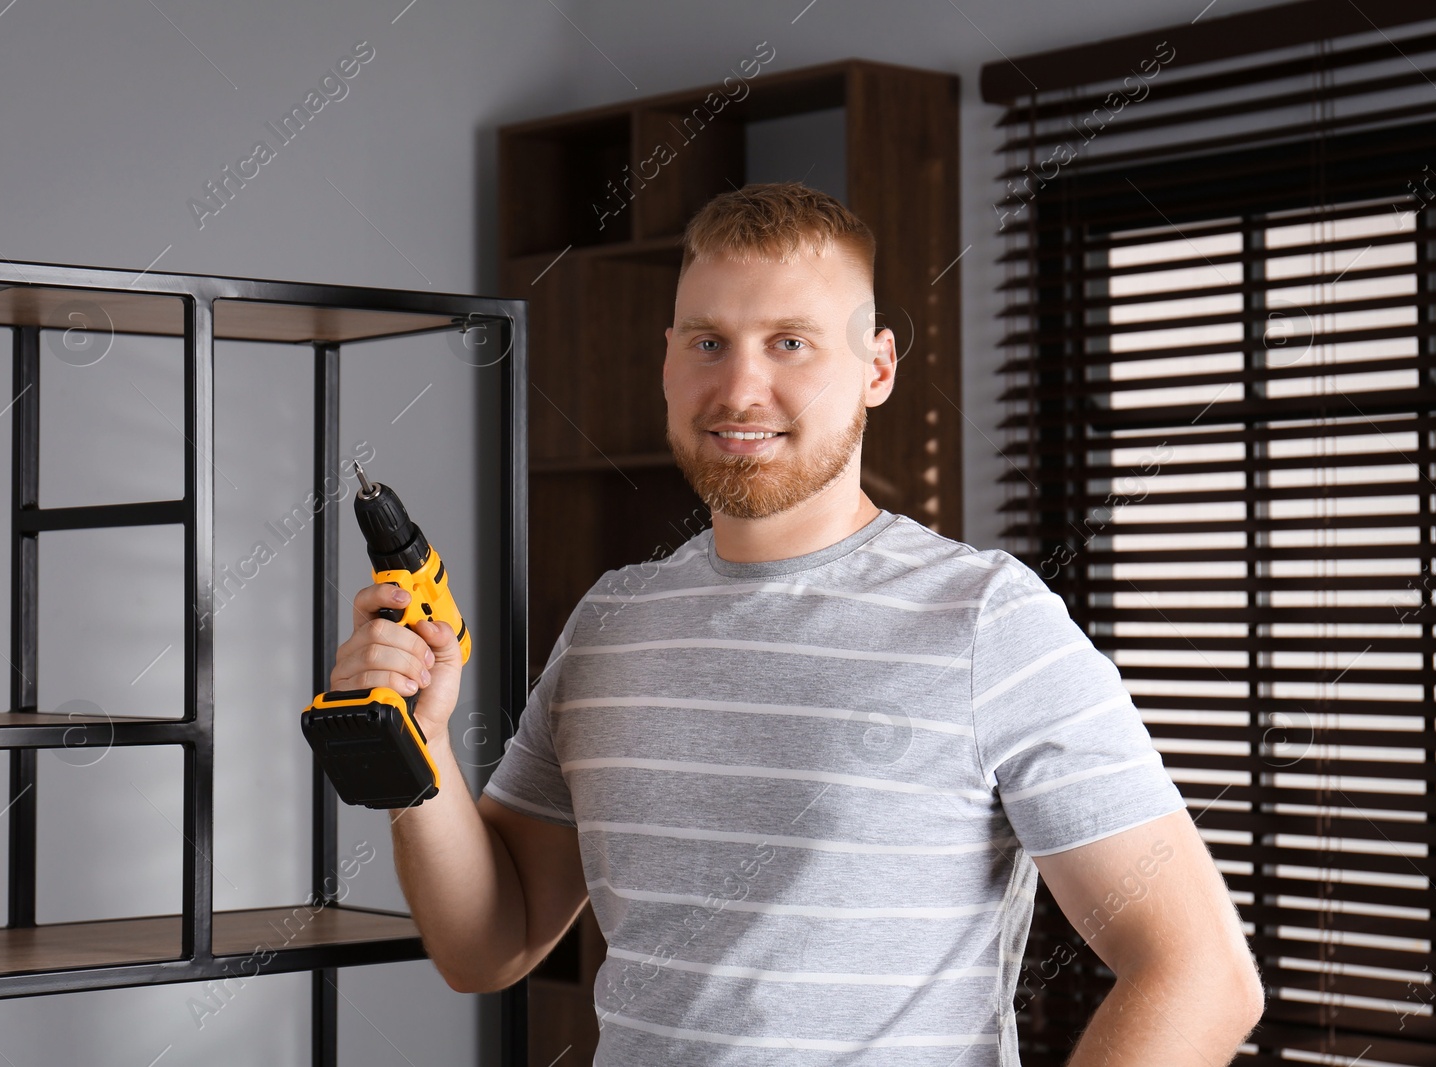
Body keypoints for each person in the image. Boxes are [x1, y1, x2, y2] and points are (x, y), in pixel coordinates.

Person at [329, 182, 1264, 1065]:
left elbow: (1201, 974)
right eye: (708, 342)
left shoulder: (987, 620)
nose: (740, 390)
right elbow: (484, 947)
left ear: (877, 368)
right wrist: (422, 750)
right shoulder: (612, 621)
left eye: (790, 343)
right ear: (665, 360)